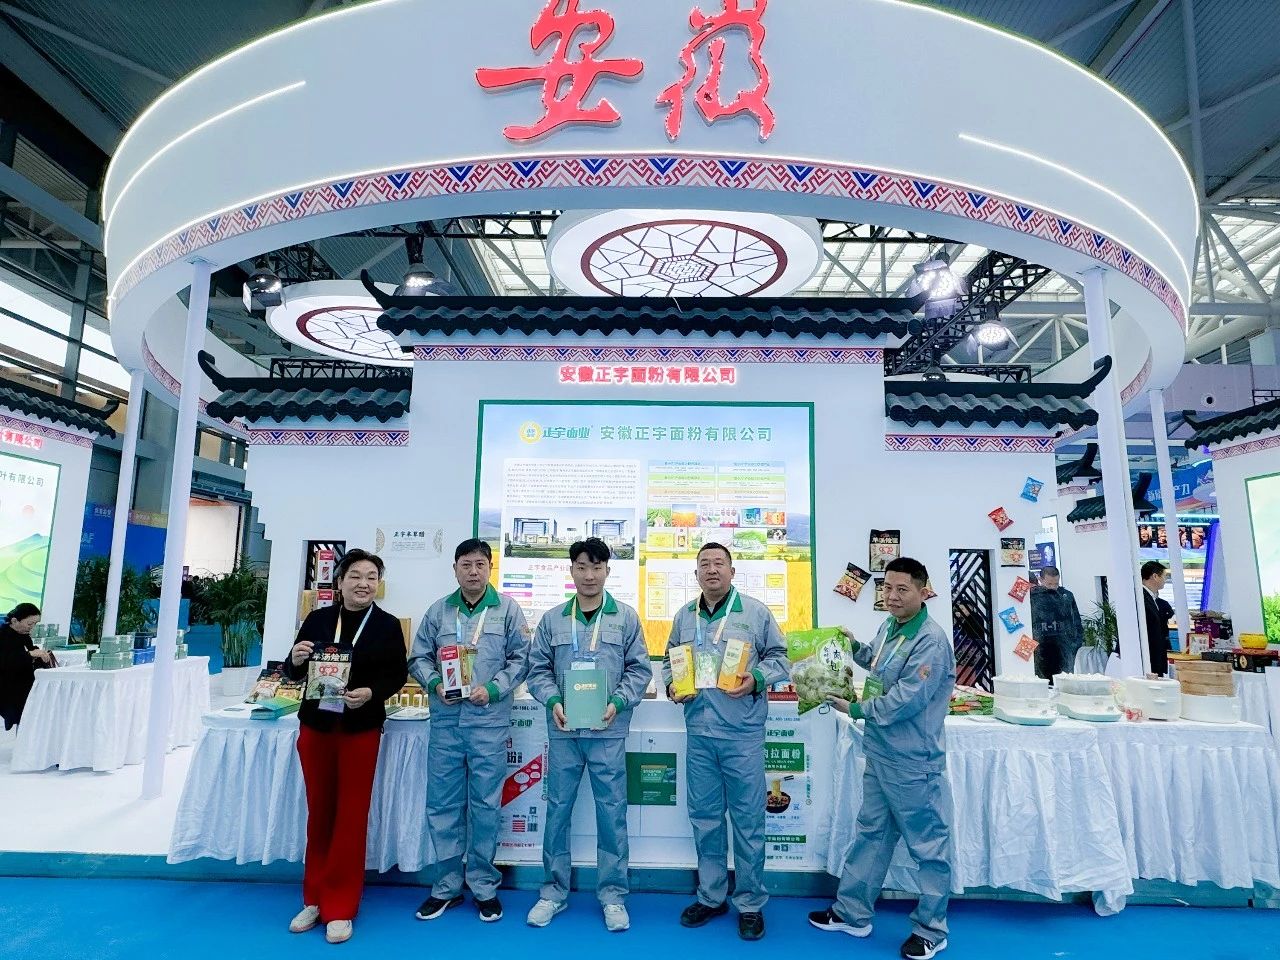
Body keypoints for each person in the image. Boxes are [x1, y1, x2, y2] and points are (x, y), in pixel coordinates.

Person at [811, 557, 956, 960]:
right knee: (872, 833)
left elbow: (907, 698)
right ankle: (852, 913)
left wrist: (856, 709)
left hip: (913, 760)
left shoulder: (930, 640)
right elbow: (876, 662)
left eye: (902, 589)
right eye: (887, 588)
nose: (891, 596)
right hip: (880, 752)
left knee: (928, 844)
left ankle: (931, 929)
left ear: (923, 592)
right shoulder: (890, 627)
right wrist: (852, 646)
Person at [661, 542, 789, 941]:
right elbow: (669, 660)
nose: (712, 570)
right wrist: (672, 686)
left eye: (719, 563)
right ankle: (712, 895)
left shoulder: (755, 612)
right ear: (696, 574)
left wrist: (758, 679)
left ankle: (749, 903)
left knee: (748, 820)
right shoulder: (685, 616)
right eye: (705, 564)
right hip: (699, 733)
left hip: (742, 733)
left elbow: (781, 657)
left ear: (732, 572)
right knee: (705, 819)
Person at [524, 538, 652, 932]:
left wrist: (618, 700)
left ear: (607, 571)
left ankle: (613, 895)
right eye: (582, 567)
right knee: (557, 811)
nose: (590, 575)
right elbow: (537, 670)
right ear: (572, 571)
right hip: (564, 730)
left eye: (597, 567)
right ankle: (553, 892)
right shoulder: (553, 619)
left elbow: (640, 670)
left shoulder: (625, 618)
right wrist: (552, 700)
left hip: (608, 731)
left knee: (611, 813)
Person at [282, 549, 408, 944]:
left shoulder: (387, 625)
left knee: (351, 817)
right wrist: (295, 658)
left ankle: (340, 905)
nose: (363, 583)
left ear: (379, 584)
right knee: (319, 813)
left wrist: (371, 693)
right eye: (355, 575)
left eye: (371, 577)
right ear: (339, 582)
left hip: (359, 730)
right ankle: (314, 898)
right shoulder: (318, 619)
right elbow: (292, 671)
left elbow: (397, 675)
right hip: (316, 727)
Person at [410, 538, 530, 924]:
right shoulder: (439, 611)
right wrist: (433, 684)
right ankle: (446, 885)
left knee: (485, 805)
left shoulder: (508, 610)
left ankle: (483, 885)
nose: (473, 571)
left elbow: (521, 659)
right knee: (443, 804)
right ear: (455, 568)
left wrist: (493, 688)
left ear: (490, 568)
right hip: (446, 722)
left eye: (480, 564)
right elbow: (419, 657)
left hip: (488, 723)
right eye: (466, 564)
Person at [0, 603, 52, 730]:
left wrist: (39, 653)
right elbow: (5, 661)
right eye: (29, 624)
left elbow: (28, 650)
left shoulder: (23, 635)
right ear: (14, 621)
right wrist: (30, 654)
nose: (32, 627)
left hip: (23, 683)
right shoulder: (3, 635)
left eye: (35, 624)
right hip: (8, 686)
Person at [1029, 566, 1084, 681]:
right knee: (1042, 681)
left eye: (1056, 584)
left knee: (1064, 681)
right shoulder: (1032, 597)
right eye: (1049, 584)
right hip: (1040, 647)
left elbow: (1076, 621)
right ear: (1041, 579)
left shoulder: (1067, 596)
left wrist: (1076, 643)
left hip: (1064, 647)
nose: (1053, 587)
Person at [1141, 561, 1174, 676]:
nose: (1165, 580)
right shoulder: (1141, 597)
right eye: (1164, 576)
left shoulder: (1153, 599)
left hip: (1155, 657)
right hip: (1148, 657)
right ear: (1155, 576)